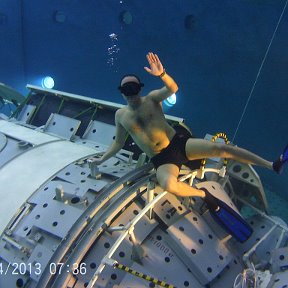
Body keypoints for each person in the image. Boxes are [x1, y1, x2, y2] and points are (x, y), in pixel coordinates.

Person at [93, 52, 287, 200]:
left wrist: (162, 74)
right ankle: (203, 195)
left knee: (221, 148)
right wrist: (100, 161)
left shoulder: (151, 99)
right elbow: (117, 144)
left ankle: (272, 164)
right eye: (126, 89)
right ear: (121, 92)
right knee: (169, 184)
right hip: (161, 159)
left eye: (133, 88)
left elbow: (173, 88)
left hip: (178, 143)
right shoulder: (121, 116)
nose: (130, 93)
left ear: (139, 89)